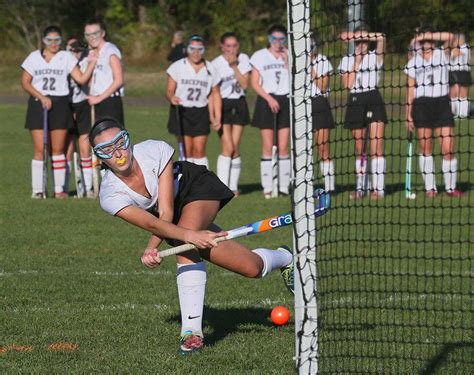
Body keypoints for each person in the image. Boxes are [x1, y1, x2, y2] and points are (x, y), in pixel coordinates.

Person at [88, 117, 294, 354]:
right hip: (173, 223)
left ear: (128, 139)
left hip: (194, 187)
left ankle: (191, 333)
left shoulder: (154, 151)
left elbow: (166, 210)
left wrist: (182, 238)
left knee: (186, 246)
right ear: (99, 157)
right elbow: (154, 223)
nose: (117, 152)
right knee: (252, 268)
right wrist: (153, 247)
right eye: (106, 149)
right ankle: (285, 258)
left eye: (119, 142)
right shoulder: (110, 195)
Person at [21, 25, 96, 199]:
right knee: (40, 149)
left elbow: (81, 78)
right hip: (38, 104)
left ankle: (59, 189)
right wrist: (41, 96)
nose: (53, 44)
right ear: (43, 40)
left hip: (60, 104)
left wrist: (92, 63)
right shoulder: (33, 57)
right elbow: (25, 82)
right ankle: (38, 190)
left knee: (58, 149)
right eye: (50, 40)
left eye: (57, 40)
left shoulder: (66, 57)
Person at [404, 27, 463, 197]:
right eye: (423, 41)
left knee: (448, 148)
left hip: (442, 104)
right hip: (421, 106)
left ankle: (451, 188)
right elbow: (410, 90)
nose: (426, 43)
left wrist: (427, 35)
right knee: (425, 147)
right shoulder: (413, 61)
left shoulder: (441, 54)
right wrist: (408, 114)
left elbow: (452, 35)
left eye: (429, 40)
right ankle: (431, 188)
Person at [338, 25, 387, 200]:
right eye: (358, 41)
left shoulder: (376, 56)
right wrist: (357, 62)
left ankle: (378, 189)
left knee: (376, 147)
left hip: (373, 99)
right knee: (360, 148)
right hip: (356, 101)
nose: (361, 44)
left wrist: (355, 35)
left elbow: (381, 36)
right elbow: (347, 85)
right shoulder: (346, 60)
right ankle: (361, 187)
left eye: (364, 41)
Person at [166, 35, 221, 168]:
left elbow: (215, 94)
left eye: (200, 49)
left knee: (199, 150)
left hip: (201, 111)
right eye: (192, 49)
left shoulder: (210, 68)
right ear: (187, 49)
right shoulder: (178, 66)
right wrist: (172, 97)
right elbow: (169, 90)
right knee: (186, 150)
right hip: (182, 110)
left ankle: (201, 183)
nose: (196, 53)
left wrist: (216, 116)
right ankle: (186, 183)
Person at [250, 24, 291, 199]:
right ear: (269, 40)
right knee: (267, 146)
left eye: (282, 39)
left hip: (285, 99)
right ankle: (268, 187)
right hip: (267, 100)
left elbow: (295, 76)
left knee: (283, 147)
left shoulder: (289, 53)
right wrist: (269, 99)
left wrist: (287, 60)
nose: (278, 42)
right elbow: (255, 83)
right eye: (275, 39)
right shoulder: (259, 56)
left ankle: (284, 186)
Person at [211, 32, 252, 195]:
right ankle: (222, 187)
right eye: (228, 46)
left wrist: (234, 65)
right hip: (223, 104)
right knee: (227, 147)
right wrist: (215, 115)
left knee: (235, 148)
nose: (231, 49)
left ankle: (233, 188)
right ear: (222, 47)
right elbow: (214, 92)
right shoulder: (215, 64)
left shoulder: (244, 59)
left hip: (239, 103)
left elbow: (245, 85)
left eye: (234, 46)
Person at [64, 37, 94, 197]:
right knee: (67, 149)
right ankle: (64, 187)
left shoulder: (86, 62)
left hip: (82, 104)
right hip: (65, 106)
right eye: (72, 49)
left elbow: (88, 81)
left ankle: (88, 188)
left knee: (84, 146)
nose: (75, 53)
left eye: (78, 50)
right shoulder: (62, 60)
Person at [84, 20, 124, 124]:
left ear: (102, 33)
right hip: (96, 100)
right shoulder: (92, 53)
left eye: (95, 33)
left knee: (112, 138)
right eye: (88, 35)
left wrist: (100, 98)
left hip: (109, 101)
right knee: (98, 138)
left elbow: (118, 80)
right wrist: (90, 63)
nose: (92, 37)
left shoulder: (110, 50)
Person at [310, 35, 336, 193]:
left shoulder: (322, 60)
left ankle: (330, 187)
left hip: (319, 104)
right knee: (302, 151)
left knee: (323, 147)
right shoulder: (292, 60)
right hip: (300, 105)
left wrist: (310, 67)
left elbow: (322, 86)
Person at [448, 33, 471, 118]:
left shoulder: (465, 47)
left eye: (456, 40)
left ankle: (463, 114)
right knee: (452, 93)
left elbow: (457, 53)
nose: (455, 41)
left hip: (463, 72)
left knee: (462, 94)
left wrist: (453, 47)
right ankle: (454, 112)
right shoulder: (452, 48)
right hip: (452, 72)